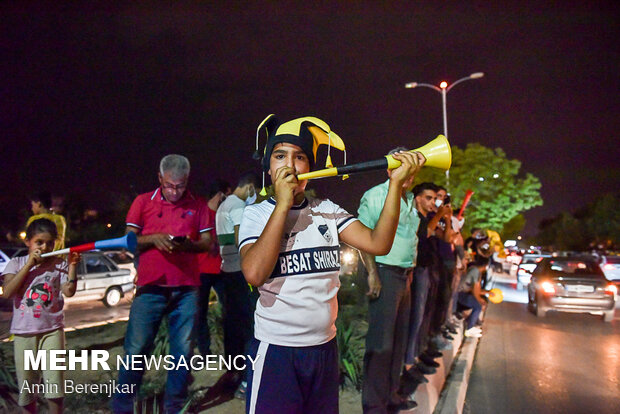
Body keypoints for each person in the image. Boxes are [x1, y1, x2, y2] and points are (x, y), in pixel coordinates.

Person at [239, 115, 423, 414]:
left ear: (311, 169)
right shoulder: (257, 215)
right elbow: (255, 273)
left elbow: (378, 243)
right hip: (276, 352)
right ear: (268, 166)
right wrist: (283, 205)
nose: (290, 165)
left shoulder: (327, 211)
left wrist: (396, 186)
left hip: (325, 349)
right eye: (280, 156)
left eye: (299, 157)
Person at [111, 154, 213, 414]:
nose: (174, 191)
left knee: (182, 353)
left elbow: (206, 242)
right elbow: (128, 240)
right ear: (160, 179)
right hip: (150, 288)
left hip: (187, 290)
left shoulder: (199, 204)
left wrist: (187, 245)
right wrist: (154, 238)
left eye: (179, 186)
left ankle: (174, 407)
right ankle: (122, 407)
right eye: (169, 185)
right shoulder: (143, 202)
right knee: (136, 350)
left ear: (187, 181)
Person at [357, 146, 422, 413]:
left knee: (398, 340)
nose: (408, 176)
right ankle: (373, 405)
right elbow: (363, 237)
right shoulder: (375, 196)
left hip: (405, 275)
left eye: (412, 170)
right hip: (385, 272)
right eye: (402, 168)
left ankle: (391, 394)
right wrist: (372, 273)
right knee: (381, 343)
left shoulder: (409, 199)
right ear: (389, 169)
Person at [1, 218, 80, 414]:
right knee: (28, 389)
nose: (45, 247)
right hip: (23, 334)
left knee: (55, 387)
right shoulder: (15, 263)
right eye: (39, 242)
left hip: (52, 331)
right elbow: (8, 291)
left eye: (50, 243)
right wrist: (28, 265)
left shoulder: (58, 264)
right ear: (28, 241)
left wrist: (72, 266)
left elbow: (69, 291)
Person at [214, 171, 260, 394]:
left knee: (232, 326)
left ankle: (233, 374)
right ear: (250, 187)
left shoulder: (224, 205)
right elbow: (243, 241)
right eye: (255, 191)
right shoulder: (239, 207)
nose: (256, 195)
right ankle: (247, 381)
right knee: (250, 329)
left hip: (227, 272)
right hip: (241, 275)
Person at [196, 178, 231, 357]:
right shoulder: (200, 212)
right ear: (220, 194)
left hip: (222, 270)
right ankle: (204, 352)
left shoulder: (224, 214)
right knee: (200, 313)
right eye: (228, 194)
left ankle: (230, 351)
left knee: (229, 310)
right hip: (202, 271)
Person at [457, 256, 490, 337]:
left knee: (481, 301)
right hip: (460, 294)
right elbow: (475, 291)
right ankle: (469, 329)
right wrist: (479, 300)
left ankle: (472, 321)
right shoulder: (475, 271)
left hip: (462, 293)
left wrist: (488, 292)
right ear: (485, 266)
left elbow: (477, 289)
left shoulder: (474, 269)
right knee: (478, 306)